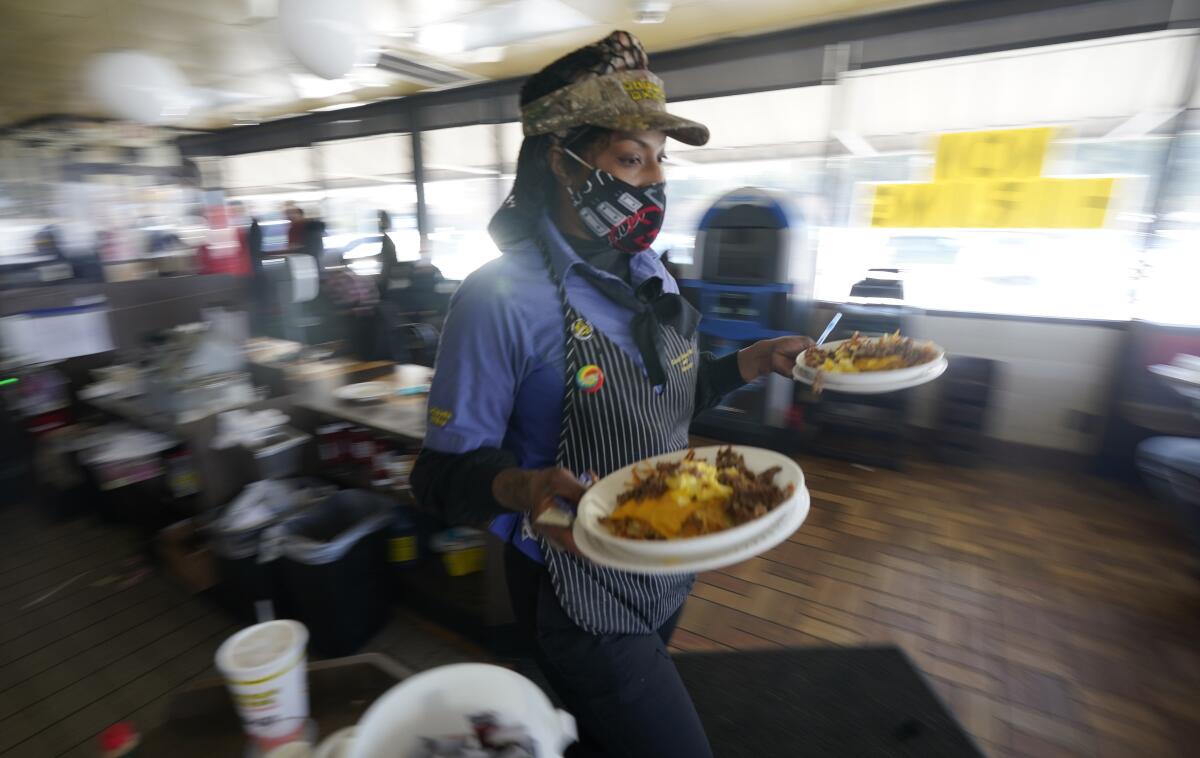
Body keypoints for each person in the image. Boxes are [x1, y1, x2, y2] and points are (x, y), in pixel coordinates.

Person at [411, 31, 812, 758]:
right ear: (563, 163)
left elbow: (662, 405)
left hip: (666, 566)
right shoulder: (501, 298)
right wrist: (524, 485)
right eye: (632, 157)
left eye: (661, 156)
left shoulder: (649, 269)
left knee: (602, 740)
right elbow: (437, 479)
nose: (654, 179)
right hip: (574, 592)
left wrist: (748, 363)